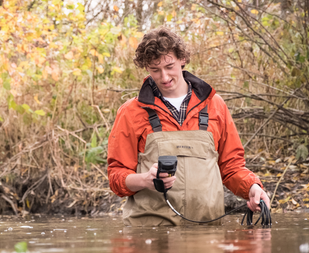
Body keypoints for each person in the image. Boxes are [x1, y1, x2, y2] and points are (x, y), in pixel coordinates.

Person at [107, 27, 270, 226]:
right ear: (146, 68)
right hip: (150, 235)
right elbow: (116, 177)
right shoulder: (130, 112)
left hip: (208, 233)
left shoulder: (215, 105)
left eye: (169, 66)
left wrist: (253, 188)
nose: (164, 77)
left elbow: (231, 167)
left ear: (182, 59)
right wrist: (144, 180)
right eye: (155, 70)